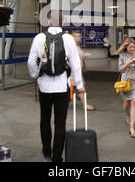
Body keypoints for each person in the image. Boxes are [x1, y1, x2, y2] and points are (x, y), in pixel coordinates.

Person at [27, 11, 85, 162]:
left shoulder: (39, 37)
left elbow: (31, 62)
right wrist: (79, 85)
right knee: (60, 122)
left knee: (44, 118)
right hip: (62, 88)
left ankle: (46, 151)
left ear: (48, 22)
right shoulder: (68, 39)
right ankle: (57, 157)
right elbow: (75, 64)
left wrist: (36, 76)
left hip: (44, 87)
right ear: (62, 22)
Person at [116, 38, 135, 138]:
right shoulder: (122, 55)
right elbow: (121, 70)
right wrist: (127, 64)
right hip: (125, 83)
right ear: (126, 47)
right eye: (130, 47)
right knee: (127, 103)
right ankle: (127, 114)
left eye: (134, 47)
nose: (132, 48)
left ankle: (132, 127)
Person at [70, 31, 95, 111]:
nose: (79, 38)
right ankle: (85, 105)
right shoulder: (72, 47)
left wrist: (83, 57)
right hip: (73, 72)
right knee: (80, 87)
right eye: (76, 36)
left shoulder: (77, 46)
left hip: (77, 71)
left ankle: (84, 104)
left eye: (79, 36)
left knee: (79, 87)